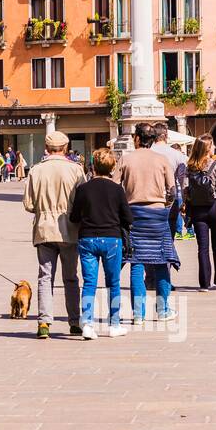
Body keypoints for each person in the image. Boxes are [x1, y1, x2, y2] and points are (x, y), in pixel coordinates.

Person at [22, 131, 85, 339]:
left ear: (46, 148)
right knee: (71, 278)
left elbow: (29, 204)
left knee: (45, 277)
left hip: (44, 228)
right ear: (65, 148)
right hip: (69, 229)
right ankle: (75, 322)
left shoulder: (36, 171)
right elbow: (82, 202)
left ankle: (44, 322)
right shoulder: (76, 170)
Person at [117, 122, 179, 320]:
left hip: (133, 213)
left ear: (136, 138)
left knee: (136, 262)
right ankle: (162, 310)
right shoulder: (161, 160)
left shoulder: (125, 159)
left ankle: (138, 313)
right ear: (152, 140)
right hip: (157, 212)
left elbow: (115, 186)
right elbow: (172, 190)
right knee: (161, 261)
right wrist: (166, 207)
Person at [69, 147, 132, 339]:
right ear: (112, 167)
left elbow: (74, 217)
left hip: (87, 238)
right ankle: (114, 324)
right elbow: (128, 218)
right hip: (111, 238)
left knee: (90, 282)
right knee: (113, 282)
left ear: (93, 167)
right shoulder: (117, 189)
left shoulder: (83, 189)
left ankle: (87, 323)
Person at [183, 135, 216, 290]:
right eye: (213, 146)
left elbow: (185, 189)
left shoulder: (190, 165)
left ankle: (204, 283)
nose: (215, 148)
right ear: (207, 148)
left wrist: (186, 205)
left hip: (198, 210)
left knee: (202, 248)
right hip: (215, 207)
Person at [151, 120, 189, 241]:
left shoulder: (148, 152)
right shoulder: (177, 155)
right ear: (166, 136)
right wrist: (184, 199)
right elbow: (182, 180)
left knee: (154, 235)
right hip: (172, 197)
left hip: (151, 198)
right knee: (169, 234)